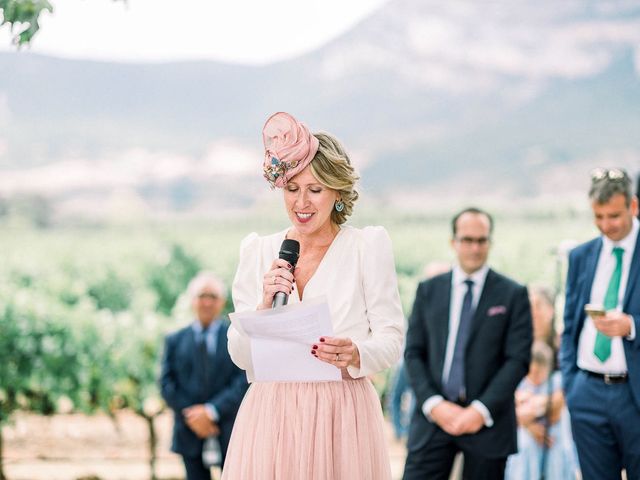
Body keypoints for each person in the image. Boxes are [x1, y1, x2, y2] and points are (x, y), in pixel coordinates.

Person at [222, 112, 404, 479]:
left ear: (337, 192)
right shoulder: (258, 250)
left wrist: (357, 353)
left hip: (342, 415)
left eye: (315, 189)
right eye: (292, 189)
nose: (301, 202)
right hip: (271, 416)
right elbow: (240, 357)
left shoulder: (366, 246)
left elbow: (392, 339)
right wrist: (261, 309)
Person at [403, 207, 532, 480]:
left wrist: (479, 411)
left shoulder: (513, 294)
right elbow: (413, 353)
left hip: (487, 420)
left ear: (489, 242)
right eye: (467, 240)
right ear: (454, 242)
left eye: (481, 240)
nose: (475, 248)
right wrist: (434, 404)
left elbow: (517, 360)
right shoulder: (429, 290)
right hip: (434, 418)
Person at [560, 167, 640, 480]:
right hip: (586, 393)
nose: (606, 226)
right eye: (598, 217)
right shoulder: (581, 256)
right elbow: (569, 326)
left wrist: (631, 326)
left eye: (614, 216)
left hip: (634, 396)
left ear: (633, 206)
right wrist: (571, 385)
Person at [160, 272, 248, 480]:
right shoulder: (174, 340)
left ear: (222, 302)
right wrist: (194, 416)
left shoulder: (236, 338)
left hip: (229, 430)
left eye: (213, 296)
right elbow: (166, 384)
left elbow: (243, 380)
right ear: (192, 301)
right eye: (202, 296)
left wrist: (211, 411)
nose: (207, 302)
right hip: (189, 432)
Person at [505, 341, 578, 480]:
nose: (535, 376)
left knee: (556, 453)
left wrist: (531, 408)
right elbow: (513, 414)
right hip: (529, 439)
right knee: (523, 447)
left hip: (554, 438)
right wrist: (530, 426)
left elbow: (554, 412)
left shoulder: (556, 382)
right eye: (531, 372)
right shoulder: (521, 383)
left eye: (539, 372)